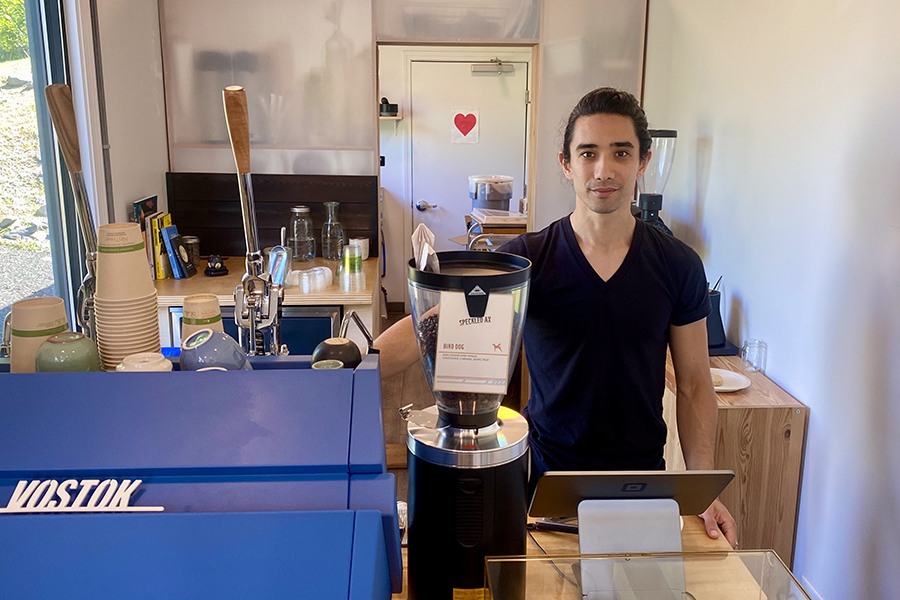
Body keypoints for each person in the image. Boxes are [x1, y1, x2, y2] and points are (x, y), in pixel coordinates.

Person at [375, 87, 737, 547]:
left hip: (642, 485)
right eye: (588, 154)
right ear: (566, 163)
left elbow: (695, 382)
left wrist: (703, 486)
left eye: (620, 153)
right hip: (544, 485)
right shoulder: (529, 259)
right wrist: (346, 374)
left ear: (642, 161)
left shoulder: (678, 264)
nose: (604, 170)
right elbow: (432, 325)